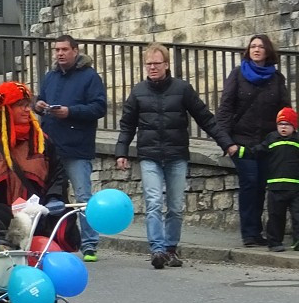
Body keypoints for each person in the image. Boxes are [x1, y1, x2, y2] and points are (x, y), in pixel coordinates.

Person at [116, 43, 237, 269]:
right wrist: (121, 151)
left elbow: (205, 118)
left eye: (156, 63)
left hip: (176, 154)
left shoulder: (182, 89)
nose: (152, 67)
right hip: (149, 155)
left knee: (175, 206)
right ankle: (157, 249)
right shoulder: (138, 91)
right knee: (153, 202)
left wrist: (226, 143)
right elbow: (127, 125)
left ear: (166, 64)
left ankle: (171, 248)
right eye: (148, 64)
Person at [0, 81, 78, 252]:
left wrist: (55, 197)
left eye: (28, 105)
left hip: (38, 227)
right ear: (5, 110)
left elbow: (58, 175)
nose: (28, 109)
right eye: (20, 105)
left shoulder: (41, 142)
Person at [34, 35, 107, 262]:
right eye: (57, 50)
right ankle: (56, 240)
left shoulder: (90, 76)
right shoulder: (51, 76)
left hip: (77, 147)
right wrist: (38, 105)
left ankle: (89, 244)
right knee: (52, 198)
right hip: (51, 147)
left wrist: (70, 112)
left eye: (64, 49)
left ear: (75, 51)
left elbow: (99, 107)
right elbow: (39, 99)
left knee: (83, 196)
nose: (60, 54)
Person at [216, 34, 291, 247]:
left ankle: (257, 233)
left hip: (267, 142)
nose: (256, 50)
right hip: (241, 142)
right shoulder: (238, 74)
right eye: (253, 46)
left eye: (260, 47)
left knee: (261, 185)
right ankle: (249, 233)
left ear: (267, 51)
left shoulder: (277, 79)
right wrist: (226, 143)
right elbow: (225, 109)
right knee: (250, 182)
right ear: (248, 51)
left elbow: (285, 110)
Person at [238, 108, 299, 253]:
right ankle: (275, 242)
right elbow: (258, 150)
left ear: (294, 126)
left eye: (287, 124)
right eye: (280, 124)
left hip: (295, 187)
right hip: (275, 186)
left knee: (298, 216)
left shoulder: (297, 141)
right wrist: (241, 151)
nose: (283, 127)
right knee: (275, 216)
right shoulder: (271, 138)